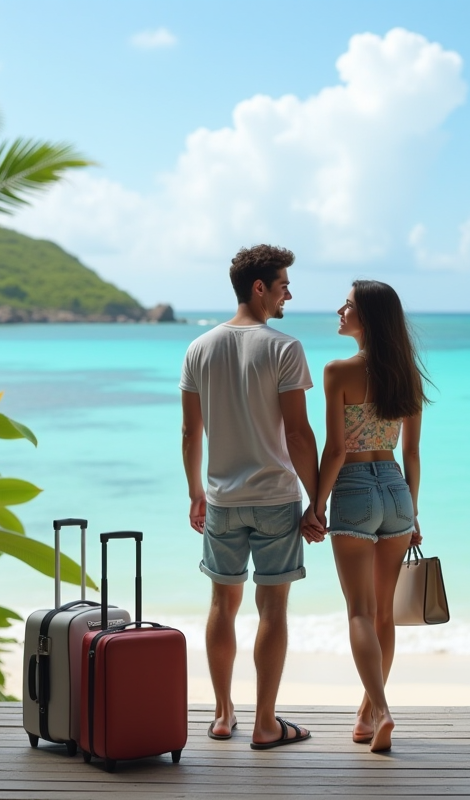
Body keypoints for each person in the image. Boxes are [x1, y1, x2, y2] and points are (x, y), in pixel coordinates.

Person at [180, 244, 322, 750]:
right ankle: (265, 723)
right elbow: (299, 434)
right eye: (283, 285)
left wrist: (196, 492)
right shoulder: (285, 348)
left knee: (223, 603)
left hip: (222, 498)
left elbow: (190, 433)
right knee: (273, 608)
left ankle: (222, 715)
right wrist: (317, 500)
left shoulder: (199, 348)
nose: (288, 295)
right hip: (276, 497)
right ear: (259, 288)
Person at [302, 280, 429, 754]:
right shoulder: (407, 375)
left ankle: (381, 709)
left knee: (359, 610)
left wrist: (316, 505)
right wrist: (413, 511)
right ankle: (365, 714)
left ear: (368, 316)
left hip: (354, 489)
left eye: (349, 305)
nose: (340, 310)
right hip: (396, 490)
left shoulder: (338, 371)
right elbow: (412, 453)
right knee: (384, 615)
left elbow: (336, 450)